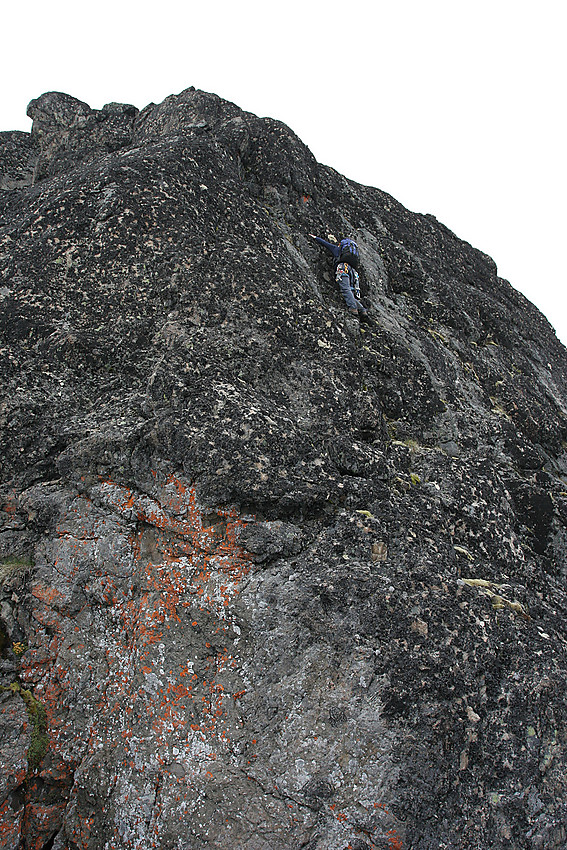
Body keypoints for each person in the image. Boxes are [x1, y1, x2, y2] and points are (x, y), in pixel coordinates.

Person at [310, 234, 371, 323]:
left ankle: (353, 309)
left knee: (345, 289)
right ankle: (362, 310)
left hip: (343, 268)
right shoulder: (353, 255)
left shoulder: (338, 250)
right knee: (351, 290)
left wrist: (315, 238)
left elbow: (326, 244)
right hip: (352, 271)